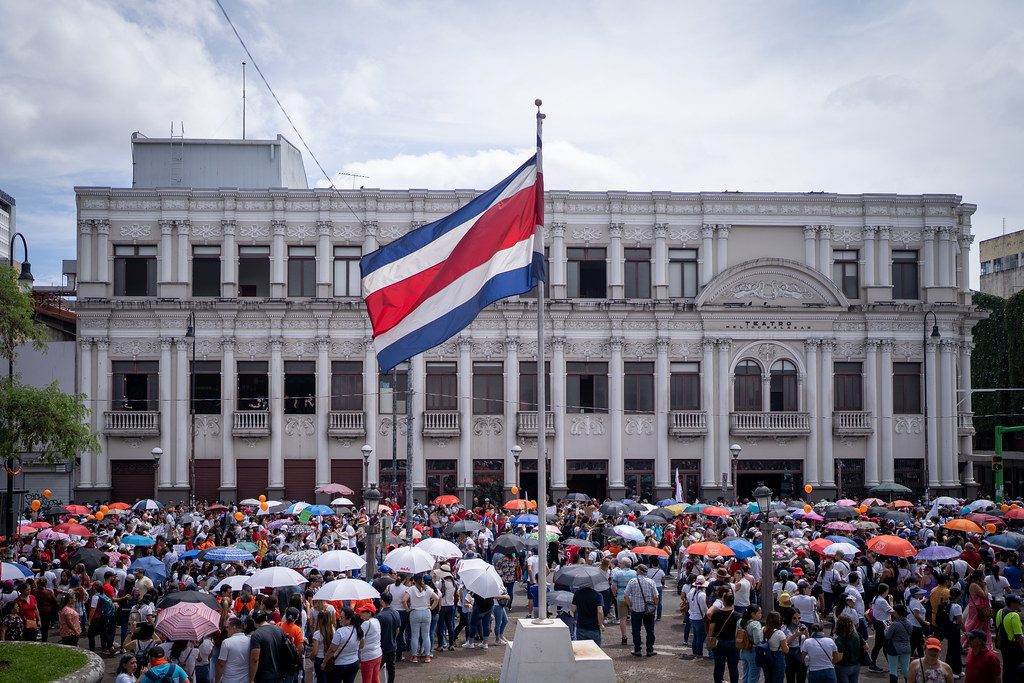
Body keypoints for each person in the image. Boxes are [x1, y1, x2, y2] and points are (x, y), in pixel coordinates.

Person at [624, 563, 659, 657]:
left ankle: (637, 649)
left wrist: (630, 605)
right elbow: (656, 597)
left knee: (636, 630)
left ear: (639, 571)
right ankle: (650, 650)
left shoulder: (632, 581)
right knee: (650, 630)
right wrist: (654, 605)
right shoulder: (651, 582)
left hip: (636, 608)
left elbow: (626, 595)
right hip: (648, 610)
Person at [402, 573, 438, 662]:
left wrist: (407, 609)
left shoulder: (411, 589)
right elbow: (437, 598)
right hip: (426, 612)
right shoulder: (427, 588)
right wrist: (431, 607)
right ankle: (427, 656)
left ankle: (414, 656)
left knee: (415, 635)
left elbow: (403, 600)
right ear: (422, 579)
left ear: (413, 580)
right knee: (426, 635)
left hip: (415, 612)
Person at [248, 610, 288, 683]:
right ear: (266, 618)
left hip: (264, 676)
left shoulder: (256, 635)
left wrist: (251, 679)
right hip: (279, 674)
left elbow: (255, 659)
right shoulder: (279, 630)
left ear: (254, 621)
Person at [323, 608, 361, 683]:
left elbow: (332, 650)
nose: (339, 619)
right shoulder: (358, 629)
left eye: (341, 617)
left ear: (349, 619)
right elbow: (362, 645)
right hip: (354, 663)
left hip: (340, 665)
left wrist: (324, 662)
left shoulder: (340, 632)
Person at [710, 591, 740, 683]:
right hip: (733, 642)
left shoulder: (716, 614)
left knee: (718, 666)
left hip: (720, 642)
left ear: (724, 601)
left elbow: (711, 629)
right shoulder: (738, 615)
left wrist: (710, 639)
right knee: (733, 667)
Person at [994, 593, 1023, 683]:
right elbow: (1018, 636)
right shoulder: (1014, 615)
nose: (1020, 604)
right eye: (1018, 603)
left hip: (1003, 643)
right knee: (1017, 668)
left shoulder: (1000, 611)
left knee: (1006, 666)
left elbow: (997, 626)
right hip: (1013, 646)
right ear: (1012, 604)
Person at [610, 558, 637, 646]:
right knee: (635, 618)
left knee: (622, 619)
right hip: (633, 597)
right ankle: (636, 636)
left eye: (621, 563)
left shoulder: (617, 573)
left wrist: (615, 595)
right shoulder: (635, 573)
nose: (619, 564)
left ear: (624, 564)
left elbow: (613, 586)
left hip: (621, 597)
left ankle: (624, 637)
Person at [376, 591, 401, 682]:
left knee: (376, 670)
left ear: (382, 601)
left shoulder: (380, 616)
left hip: (381, 647)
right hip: (392, 645)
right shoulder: (396, 613)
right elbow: (397, 630)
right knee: (391, 668)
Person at [885, 604, 914, 683]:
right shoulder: (909, 623)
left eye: (894, 612)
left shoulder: (895, 624)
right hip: (906, 647)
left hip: (894, 648)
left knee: (893, 669)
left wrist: (886, 629)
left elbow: (887, 636)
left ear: (898, 613)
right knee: (905, 669)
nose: (893, 613)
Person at [216, 617, 250, 683]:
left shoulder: (227, 642)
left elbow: (221, 664)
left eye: (227, 627)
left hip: (229, 679)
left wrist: (216, 681)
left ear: (233, 627)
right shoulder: (249, 640)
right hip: (245, 679)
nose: (226, 629)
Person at [833, 614, 863, 683]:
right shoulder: (857, 635)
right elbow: (866, 647)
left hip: (843, 667)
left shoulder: (839, 639)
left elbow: (839, 657)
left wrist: (832, 662)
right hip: (856, 665)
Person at [357, 604, 382, 683]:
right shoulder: (376, 621)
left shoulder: (366, 623)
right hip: (378, 654)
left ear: (369, 613)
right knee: (375, 679)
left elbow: (361, 642)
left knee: (367, 680)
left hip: (368, 657)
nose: (360, 613)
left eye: (363, 611)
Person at [763, 611, 790, 683]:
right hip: (777, 657)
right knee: (778, 679)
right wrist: (786, 642)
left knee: (768, 678)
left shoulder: (762, 630)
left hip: (766, 657)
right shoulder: (780, 633)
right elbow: (786, 650)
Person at [739, 605, 764, 683]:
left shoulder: (740, 621)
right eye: (759, 613)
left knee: (746, 674)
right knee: (753, 677)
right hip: (752, 651)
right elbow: (757, 641)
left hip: (743, 650)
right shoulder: (755, 624)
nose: (761, 614)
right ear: (753, 614)